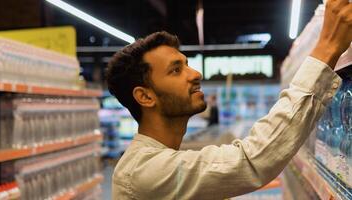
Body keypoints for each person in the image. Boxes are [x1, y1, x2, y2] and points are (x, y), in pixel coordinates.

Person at [106, 1, 352, 199]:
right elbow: (251, 160)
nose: (196, 74)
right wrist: (327, 48)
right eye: (175, 70)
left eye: (187, 65)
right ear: (145, 96)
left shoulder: (161, 163)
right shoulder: (142, 172)